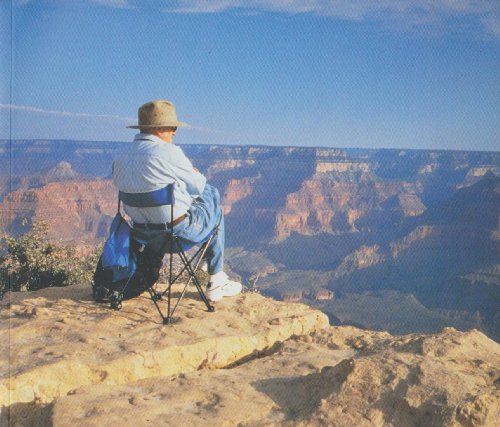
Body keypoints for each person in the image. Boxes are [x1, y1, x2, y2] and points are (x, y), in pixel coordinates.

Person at [112, 100, 242, 302]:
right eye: (172, 127)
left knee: (195, 198)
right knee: (213, 196)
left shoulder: (120, 155)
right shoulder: (169, 153)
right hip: (176, 235)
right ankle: (216, 279)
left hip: (143, 236)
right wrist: (194, 175)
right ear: (159, 128)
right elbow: (199, 186)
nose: (174, 132)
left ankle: (212, 266)